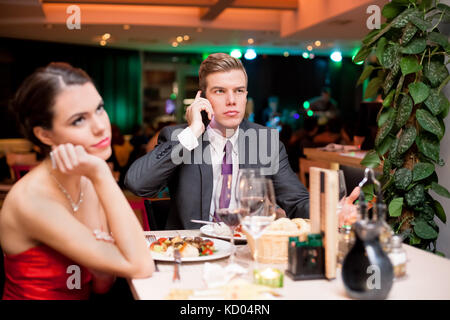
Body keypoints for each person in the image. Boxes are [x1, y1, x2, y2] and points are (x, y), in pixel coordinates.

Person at [125, 53, 359, 230]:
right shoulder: (180, 139)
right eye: (219, 91)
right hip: (193, 254)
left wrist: (330, 210)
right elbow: (138, 184)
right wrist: (194, 130)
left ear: (246, 95)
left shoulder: (264, 141)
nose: (231, 100)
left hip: (247, 249)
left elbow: (296, 201)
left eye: (239, 91)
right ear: (202, 98)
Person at [0, 62, 154, 300]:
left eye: (100, 109)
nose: (101, 127)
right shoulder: (33, 201)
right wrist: (102, 173)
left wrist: (106, 269)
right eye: (78, 120)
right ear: (45, 134)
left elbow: (101, 284)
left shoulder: (86, 179)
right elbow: (142, 266)